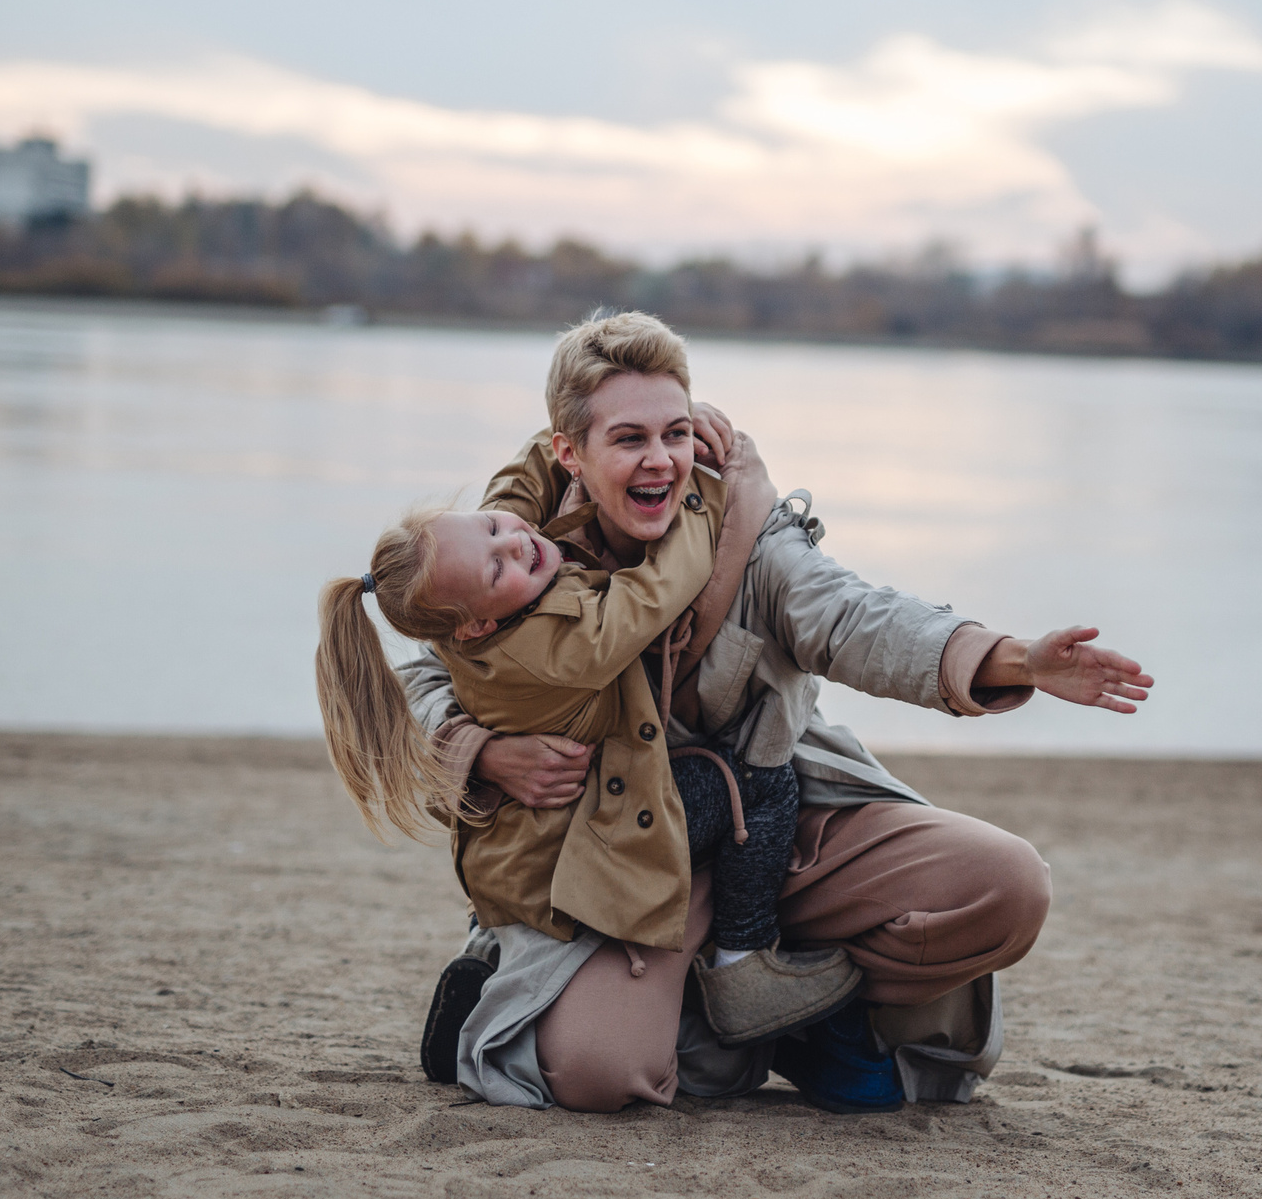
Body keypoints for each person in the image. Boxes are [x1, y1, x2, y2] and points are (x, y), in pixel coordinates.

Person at [395, 310, 1152, 1114]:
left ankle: (803, 1004)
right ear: (569, 452)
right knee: (601, 1071)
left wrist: (1011, 657)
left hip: (780, 821)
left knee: (1008, 885)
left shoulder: (745, 528)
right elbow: (420, 676)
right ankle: (711, 1012)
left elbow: (855, 617)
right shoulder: (517, 552)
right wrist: (479, 749)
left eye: (677, 432)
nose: (661, 460)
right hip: (629, 863)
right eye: (629, 439)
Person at [315, 442, 863, 1051]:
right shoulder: (563, 644)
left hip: (508, 854)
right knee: (757, 783)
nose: (515, 543)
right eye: (498, 567)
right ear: (474, 626)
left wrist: (586, 431)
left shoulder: (469, 614)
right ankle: (742, 962)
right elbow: (663, 587)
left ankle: (492, 955)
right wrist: (697, 494)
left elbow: (520, 487)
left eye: (493, 525)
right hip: (570, 845)